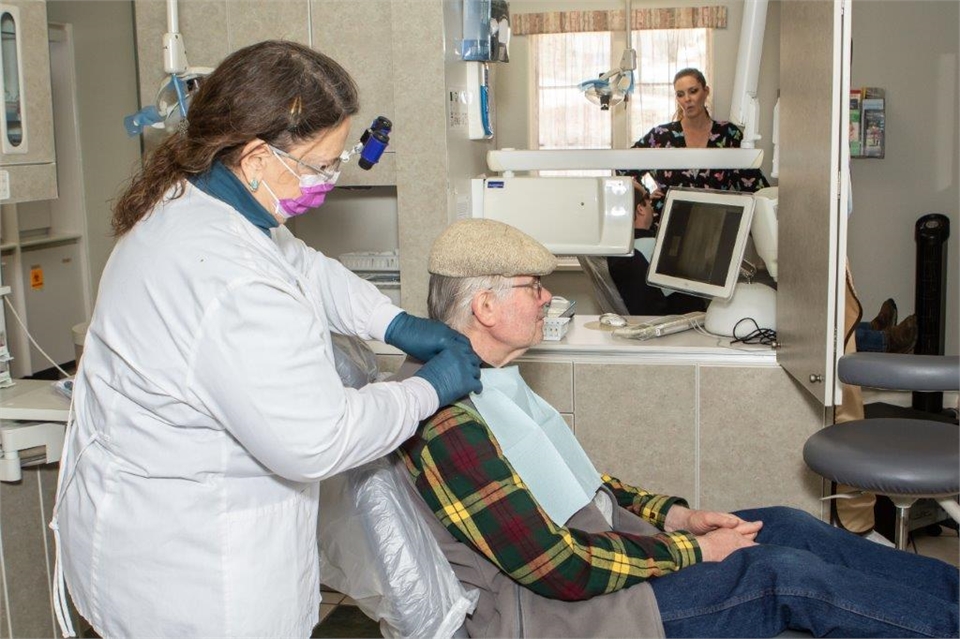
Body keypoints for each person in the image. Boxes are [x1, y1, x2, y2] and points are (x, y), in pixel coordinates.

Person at [49, 41, 482, 638]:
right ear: (256, 157)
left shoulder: (196, 204)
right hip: (198, 584)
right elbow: (318, 440)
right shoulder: (230, 281)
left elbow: (299, 263)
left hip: (134, 535)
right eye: (320, 164)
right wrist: (428, 391)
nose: (329, 180)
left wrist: (391, 322)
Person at [397, 218, 959, 638]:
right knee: (782, 575)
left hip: (602, 557)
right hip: (563, 613)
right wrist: (691, 550)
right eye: (532, 287)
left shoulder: (488, 377)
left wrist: (677, 516)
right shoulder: (444, 417)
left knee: (789, 526)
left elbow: (586, 484)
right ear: (487, 308)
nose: (548, 298)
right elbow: (556, 566)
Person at [624, 67, 770, 221]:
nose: (687, 99)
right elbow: (624, 168)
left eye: (693, 91)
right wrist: (645, 197)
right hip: (667, 223)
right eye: (680, 94)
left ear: (705, 91)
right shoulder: (661, 136)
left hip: (715, 223)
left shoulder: (728, 134)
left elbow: (754, 185)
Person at [606, 179, 707, 316]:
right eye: (648, 200)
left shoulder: (617, 249)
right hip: (683, 322)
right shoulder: (653, 248)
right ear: (640, 209)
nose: (652, 206)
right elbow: (691, 300)